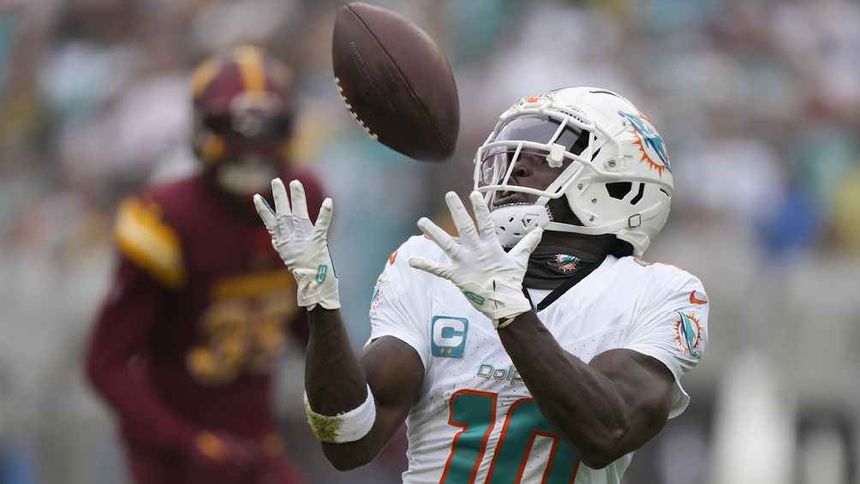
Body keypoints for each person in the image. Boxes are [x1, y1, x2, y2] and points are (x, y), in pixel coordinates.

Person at [254, 87, 709, 483]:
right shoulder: (430, 264)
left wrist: (511, 313)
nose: (514, 170)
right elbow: (349, 440)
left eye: (543, 160)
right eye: (511, 157)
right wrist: (320, 303)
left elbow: (607, 433)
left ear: (619, 186)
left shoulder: (659, 293)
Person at [86, 46, 323, 484]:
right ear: (200, 127)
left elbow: (307, 325)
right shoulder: (168, 217)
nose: (251, 148)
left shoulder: (300, 198)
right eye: (233, 129)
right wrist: (188, 443)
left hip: (258, 446)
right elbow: (105, 364)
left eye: (267, 129)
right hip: (175, 462)